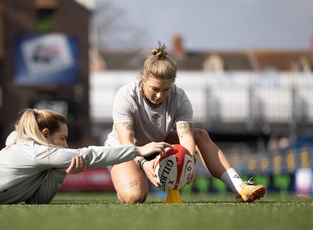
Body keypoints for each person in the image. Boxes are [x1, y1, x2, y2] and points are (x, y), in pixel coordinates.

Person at [105, 43, 266, 204]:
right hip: (125, 152)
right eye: (155, 89)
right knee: (135, 196)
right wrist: (143, 164)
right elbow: (127, 143)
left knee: (200, 135)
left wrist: (188, 163)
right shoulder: (125, 96)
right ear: (143, 79)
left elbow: (186, 137)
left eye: (166, 89)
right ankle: (125, 184)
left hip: (158, 145)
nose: (160, 95)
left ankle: (241, 187)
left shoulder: (179, 98)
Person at [0, 108, 167, 205]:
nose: (66, 145)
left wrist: (59, 173)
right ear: (45, 134)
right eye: (62, 138)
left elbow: (37, 202)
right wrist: (137, 150)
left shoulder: (44, 161)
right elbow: (87, 154)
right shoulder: (33, 151)